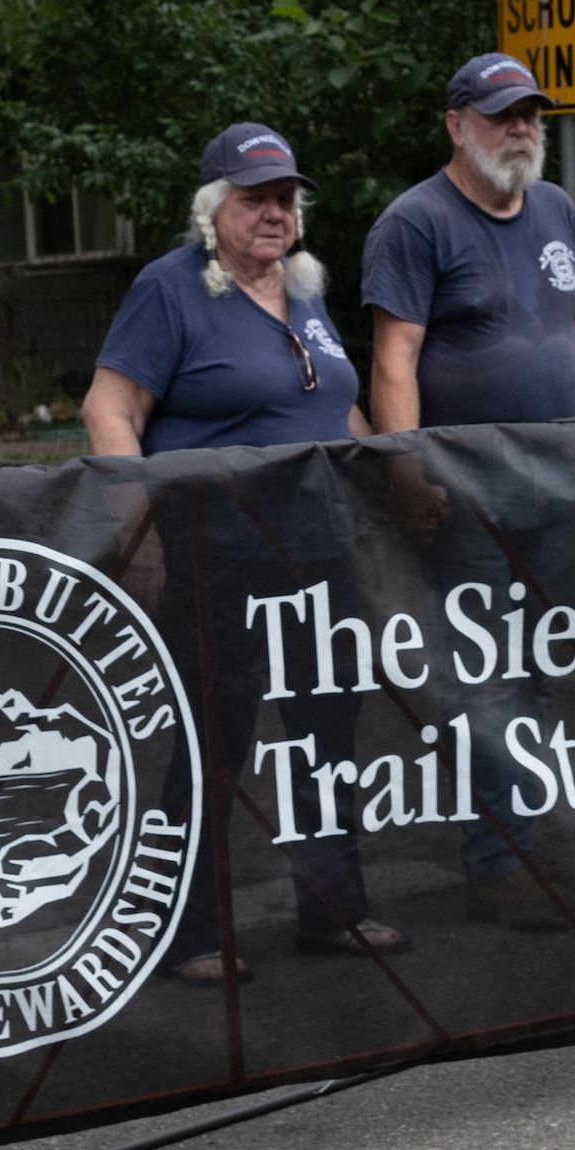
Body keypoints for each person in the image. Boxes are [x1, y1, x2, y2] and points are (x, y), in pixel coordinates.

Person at [83, 121, 406, 969]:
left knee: (326, 737)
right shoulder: (172, 288)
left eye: (285, 197)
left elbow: (335, 407)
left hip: (318, 549)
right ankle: (188, 935)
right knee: (211, 741)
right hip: (215, 549)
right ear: (213, 207)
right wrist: (138, 520)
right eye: (255, 197)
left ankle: (333, 910)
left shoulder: (304, 286)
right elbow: (110, 410)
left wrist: (383, 483)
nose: (274, 212)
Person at [359, 54, 575, 929]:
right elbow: (393, 357)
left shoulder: (554, 209)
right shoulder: (416, 222)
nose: (521, 129)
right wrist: (406, 469)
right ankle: (494, 862)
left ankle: (517, 843)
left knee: (537, 675)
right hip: (469, 496)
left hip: (557, 488)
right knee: (484, 680)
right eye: (504, 114)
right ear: (456, 123)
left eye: (531, 116)